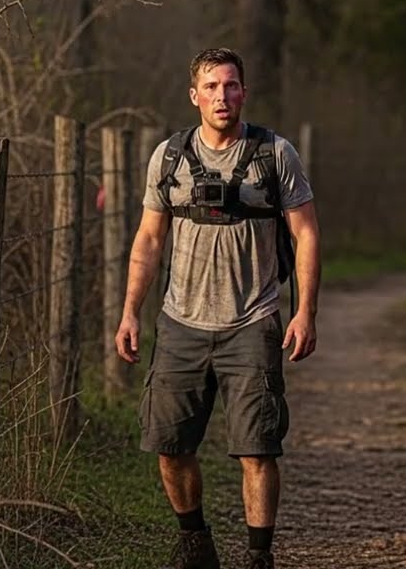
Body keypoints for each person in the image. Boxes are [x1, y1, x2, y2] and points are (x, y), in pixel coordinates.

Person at [115, 48, 321, 569]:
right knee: (170, 444)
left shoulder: (276, 154)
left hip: (252, 322)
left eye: (230, 86)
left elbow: (306, 233)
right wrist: (129, 312)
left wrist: (304, 312)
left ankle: (258, 556)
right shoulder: (168, 157)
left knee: (258, 449)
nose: (221, 96)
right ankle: (195, 542)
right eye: (211, 87)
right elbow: (147, 240)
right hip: (180, 323)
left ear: (244, 92)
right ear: (194, 96)